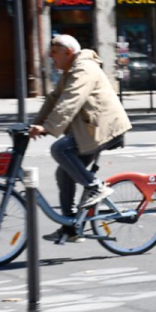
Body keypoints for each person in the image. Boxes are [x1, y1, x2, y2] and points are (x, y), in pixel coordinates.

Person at [31, 35, 132, 243]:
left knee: (59, 149)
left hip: (105, 128)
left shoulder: (84, 69)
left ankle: (95, 187)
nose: (50, 56)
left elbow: (71, 100)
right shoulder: (71, 70)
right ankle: (71, 228)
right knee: (64, 172)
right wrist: (34, 124)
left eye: (54, 52)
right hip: (89, 128)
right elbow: (54, 99)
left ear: (68, 52)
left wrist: (48, 127)